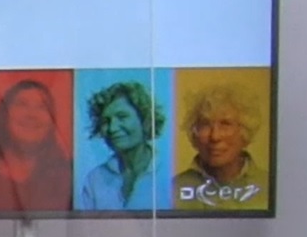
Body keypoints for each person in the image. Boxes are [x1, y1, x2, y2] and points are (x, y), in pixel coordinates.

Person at [0, 77, 72, 213]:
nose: (32, 114)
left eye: (42, 107)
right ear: (4, 114)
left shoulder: (67, 176)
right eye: (22, 104)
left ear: (51, 122)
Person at [173, 82, 269, 210]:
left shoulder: (269, 186)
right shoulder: (171, 190)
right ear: (194, 132)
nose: (215, 136)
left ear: (245, 131)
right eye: (205, 124)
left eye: (225, 124)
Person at [77, 78, 165, 212]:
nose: (112, 128)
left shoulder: (168, 172)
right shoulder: (95, 179)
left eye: (122, 117)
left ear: (145, 120)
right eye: (106, 121)